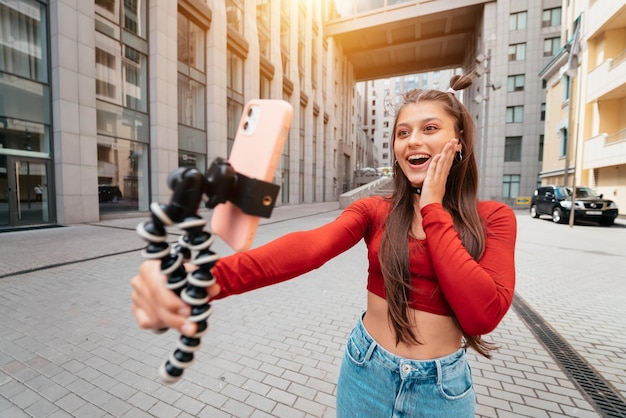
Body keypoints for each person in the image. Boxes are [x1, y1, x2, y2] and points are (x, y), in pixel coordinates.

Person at [131, 74, 517, 417]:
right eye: (402, 132)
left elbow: (483, 314)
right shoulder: (375, 210)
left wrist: (433, 207)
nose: (413, 140)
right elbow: (310, 246)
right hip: (366, 372)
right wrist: (207, 281)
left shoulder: (494, 218)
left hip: (442, 391)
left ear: (459, 140)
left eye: (429, 128)